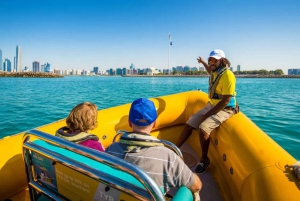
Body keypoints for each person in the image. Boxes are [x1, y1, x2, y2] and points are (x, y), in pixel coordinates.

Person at [106, 98, 202, 195]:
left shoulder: (111, 150)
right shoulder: (168, 157)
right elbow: (196, 186)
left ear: (130, 122)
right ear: (155, 123)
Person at [176, 49, 239, 174]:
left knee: (203, 128)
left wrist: (207, 114)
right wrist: (203, 62)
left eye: (215, 60)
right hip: (212, 104)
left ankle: (204, 160)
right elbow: (209, 70)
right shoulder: (215, 72)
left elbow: (226, 100)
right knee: (189, 124)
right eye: (210, 60)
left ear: (222, 60)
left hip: (226, 108)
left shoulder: (228, 75)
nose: (212, 62)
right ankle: (174, 150)